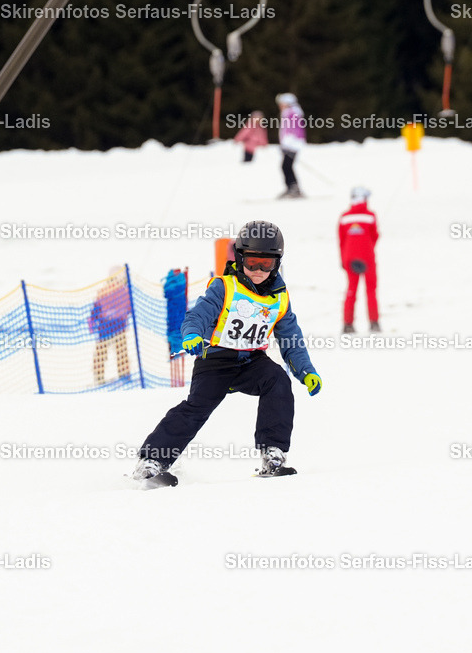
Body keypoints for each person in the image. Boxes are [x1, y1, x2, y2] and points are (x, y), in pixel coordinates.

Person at [132, 220, 321, 481]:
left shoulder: (279, 297)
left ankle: (273, 453)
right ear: (240, 258)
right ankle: (152, 460)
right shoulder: (224, 286)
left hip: (252, 361)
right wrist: (192, 335)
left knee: (277, 380)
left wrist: (306, 371)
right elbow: (197, 315)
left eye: (265, 264)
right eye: (252, 262)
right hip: (216, 360)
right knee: (196, 407)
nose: (257, 270)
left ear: (276, 264)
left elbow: (291, 338)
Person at [339, 186, 380, 334]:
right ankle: (374, 322)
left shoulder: (344, 217)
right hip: (367, 257)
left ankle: (347, 324)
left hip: (349, 258)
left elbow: (341, 240)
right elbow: (375, 236)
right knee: (371, 290)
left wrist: (343, 259)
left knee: (351, 290)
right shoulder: (370, 216)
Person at [90, 268, 132, 385]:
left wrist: (93, 321)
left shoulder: (104, 291)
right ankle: (124, 374)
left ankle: (99, 376)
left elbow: (96, 309)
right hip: (117, 326)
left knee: (102, 353)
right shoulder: (125, 292)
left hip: (105, 327)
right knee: (121, 352)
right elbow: (129, 309)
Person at [276, 93, 306, 198]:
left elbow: (292, 130)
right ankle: (290, 187)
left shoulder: (291, 113)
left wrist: (286, 144)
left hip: (292, 144)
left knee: (286, 166)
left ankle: (293, 188)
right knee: (286, 166)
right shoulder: (290, 112)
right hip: (291, 144)